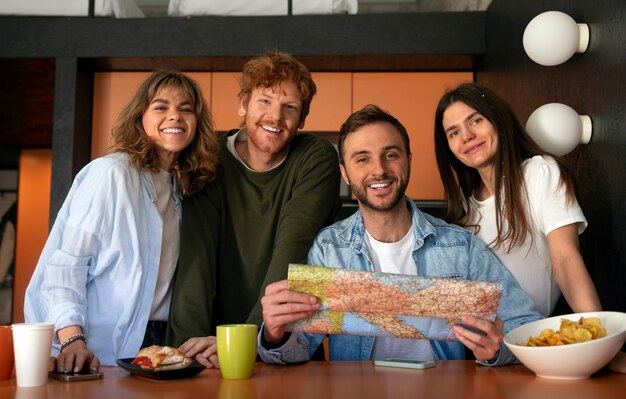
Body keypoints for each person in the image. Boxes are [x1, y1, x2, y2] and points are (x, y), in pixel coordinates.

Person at [258, 104, 541, 366]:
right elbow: (301, 347)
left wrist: (498, 349)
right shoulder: (328, 249)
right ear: (345, 173)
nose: (379, 170)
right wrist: (275, 334)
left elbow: (526, 325)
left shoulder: (460, 246)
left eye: (390, 155)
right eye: (362, 159)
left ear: (408, 160)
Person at [24, 70, 220, 372]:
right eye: (161, 107)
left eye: (186, 109)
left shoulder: (180, 190)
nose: (175, 117)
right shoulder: (110, 175)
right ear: (139, 116)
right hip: (92, 346)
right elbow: (65, 269)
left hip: (159, 341)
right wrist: (73, 340)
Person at [166, 52, 342, 367]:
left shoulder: (316, 158)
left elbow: (292, 248)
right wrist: (186, 352)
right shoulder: (210, 160)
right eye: (264, 102)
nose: (275, 117)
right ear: (243, 104)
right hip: (212, 350)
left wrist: (243, 340)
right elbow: (197, 258)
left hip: (285, 344)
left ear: (301, 120)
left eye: (289, 107)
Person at [433, 82, 601, 317]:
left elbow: (565, 259)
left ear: (497, 119)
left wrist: (597, 333)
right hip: (480, 346)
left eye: (475, 121)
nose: (467, 136)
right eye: (454, 132)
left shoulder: (540, 172)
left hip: (529, 337)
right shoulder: (464, 204)